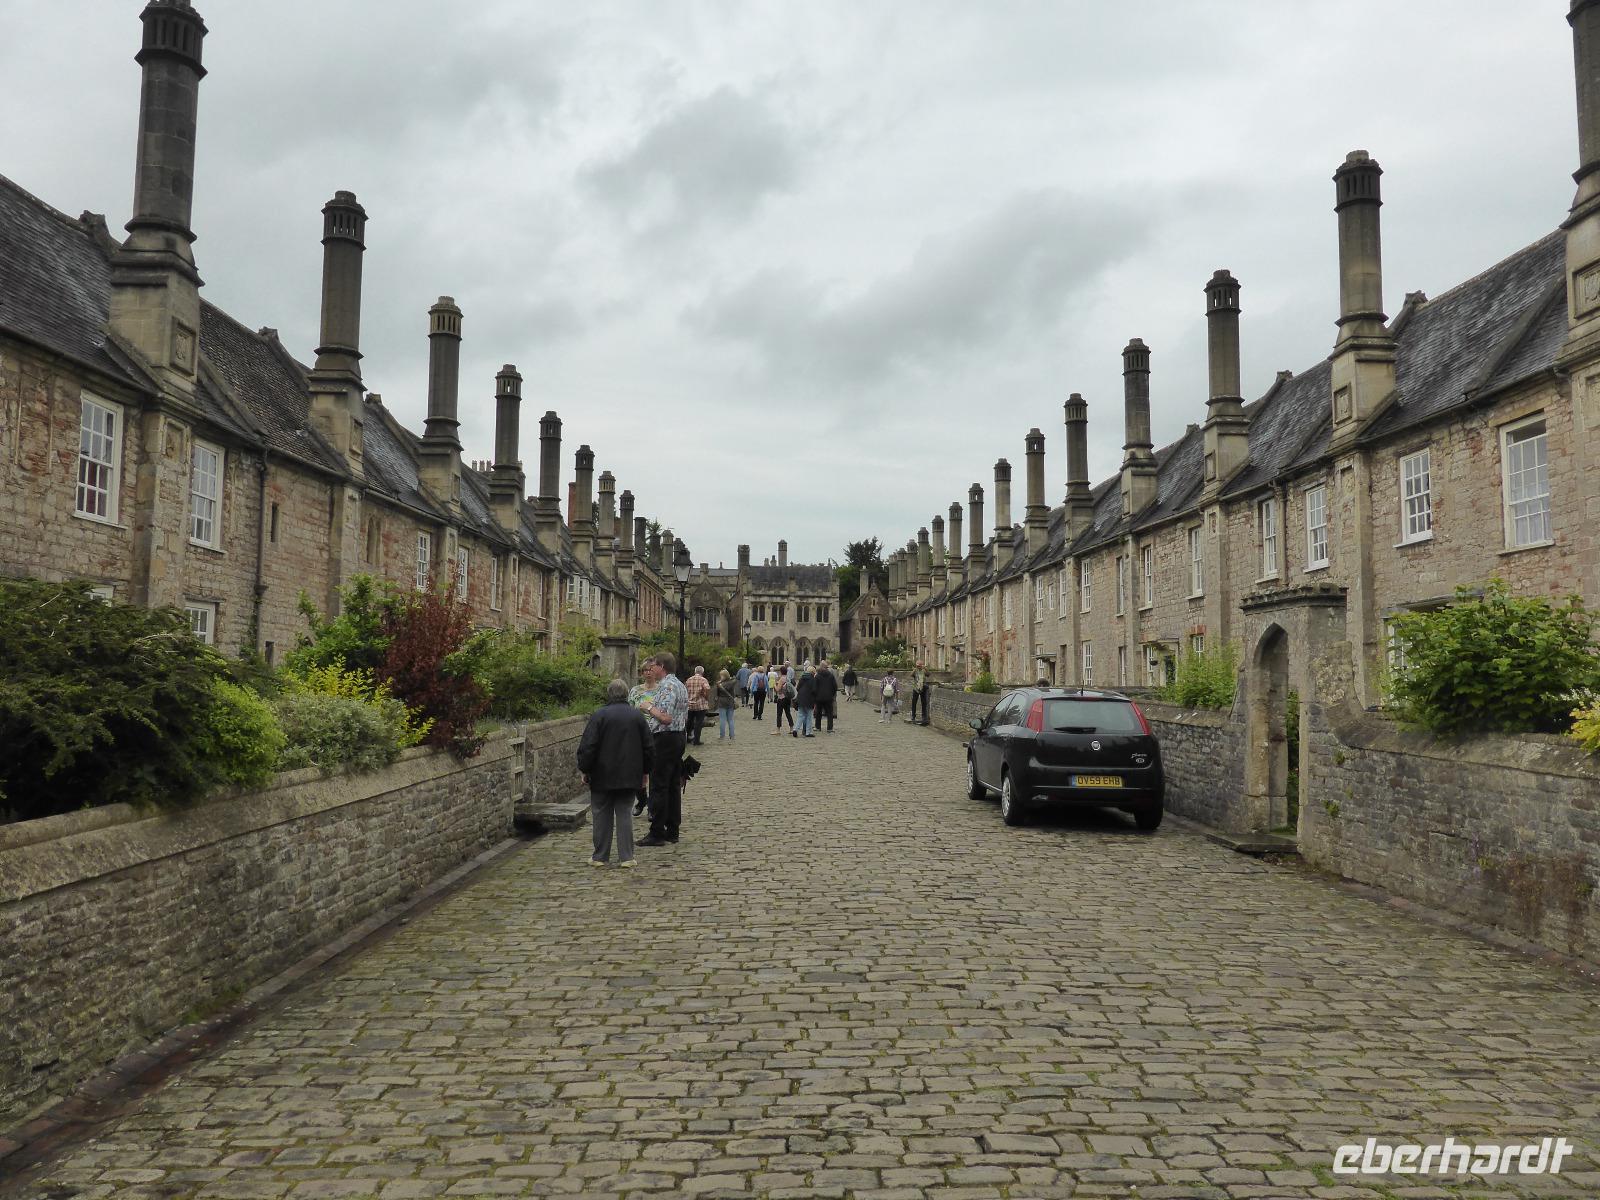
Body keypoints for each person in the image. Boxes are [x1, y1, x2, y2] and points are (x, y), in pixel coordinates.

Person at [575, 678, 653, 869]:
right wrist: (646, 772)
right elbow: (648, 748)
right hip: (629, 774)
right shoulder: (637, 717)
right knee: (624, 813)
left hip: (602, 774)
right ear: (626, 694)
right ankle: (626, 857)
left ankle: (600, 856)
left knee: (601, 814)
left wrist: (585, 769)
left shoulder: (599, 715)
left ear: (609, 694)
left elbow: (589, 746)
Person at [638, 652, 689, 847]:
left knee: (659, 785)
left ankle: (657, 831)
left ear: (661, 666)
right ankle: (672, 829)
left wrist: (648, 707)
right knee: (673, 785)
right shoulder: (679, 685)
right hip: (678, 737)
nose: (651, 670)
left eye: (653, 666)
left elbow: (665, 717)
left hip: (665, 738)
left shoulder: (667, 686)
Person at [685, 664, 712, 746]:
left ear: (695, 671)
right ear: (702, 672)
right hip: (700, 704)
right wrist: (706, 696)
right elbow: (707, 688)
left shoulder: (689, 680)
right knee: (698, 722)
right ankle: (696, 740)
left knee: (689, 722)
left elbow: (685, 689)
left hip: (690, 704)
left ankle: (687, 738)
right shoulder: (703, 680)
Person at [813, 658, 838, 733]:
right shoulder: (830, 676)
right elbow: (835, 687)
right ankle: (829, 728)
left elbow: (814, 687)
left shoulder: (817, 676)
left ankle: (818, 727)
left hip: (819, 697)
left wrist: (815, 696)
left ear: (820, 667)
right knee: (829, 713)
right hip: (828, 697)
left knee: (818, 713)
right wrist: (832, 694)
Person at [770, 665, 796, 734]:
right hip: (787, 698)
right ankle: (791, 728)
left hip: (781, 698)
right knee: (788, 713)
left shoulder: (781, 679)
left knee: (779, 714)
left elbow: (778, 689)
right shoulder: (787, 678)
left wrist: (774, 685)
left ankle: (778, 730)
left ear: (781, 672)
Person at [715, 668, 739, 740]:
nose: (720, 677)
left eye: (721, 676)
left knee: (722, 719)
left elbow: (717, 694)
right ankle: (732, 735)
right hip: (730, 701)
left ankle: (722, 735)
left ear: (724, 676)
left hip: (722, 702)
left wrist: (719, 683)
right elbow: (735, 678)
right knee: (730, 719)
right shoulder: (732, 682)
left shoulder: (720, 684)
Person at [794, 663, 816, 737]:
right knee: (809, 716)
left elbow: (797, 688)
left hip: (800, 698)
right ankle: (808, 732)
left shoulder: (802, 678)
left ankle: (795, 729)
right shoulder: (812, 679)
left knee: (800, 716)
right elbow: (814, 690)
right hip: (809, 700)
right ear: (812, 672)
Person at [908, 661, 930, 726]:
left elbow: (928, 674)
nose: (918, 667)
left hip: (923, 688)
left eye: (919, 666)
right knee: (914, 702)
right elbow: (911, 675)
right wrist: (914, 669)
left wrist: (925, 668)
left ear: (922, 665)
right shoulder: (915, 671)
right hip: (916, 688)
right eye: (917, 666)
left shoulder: (924, 671)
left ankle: (924, 716)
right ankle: (913, 716)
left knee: (924, 703)